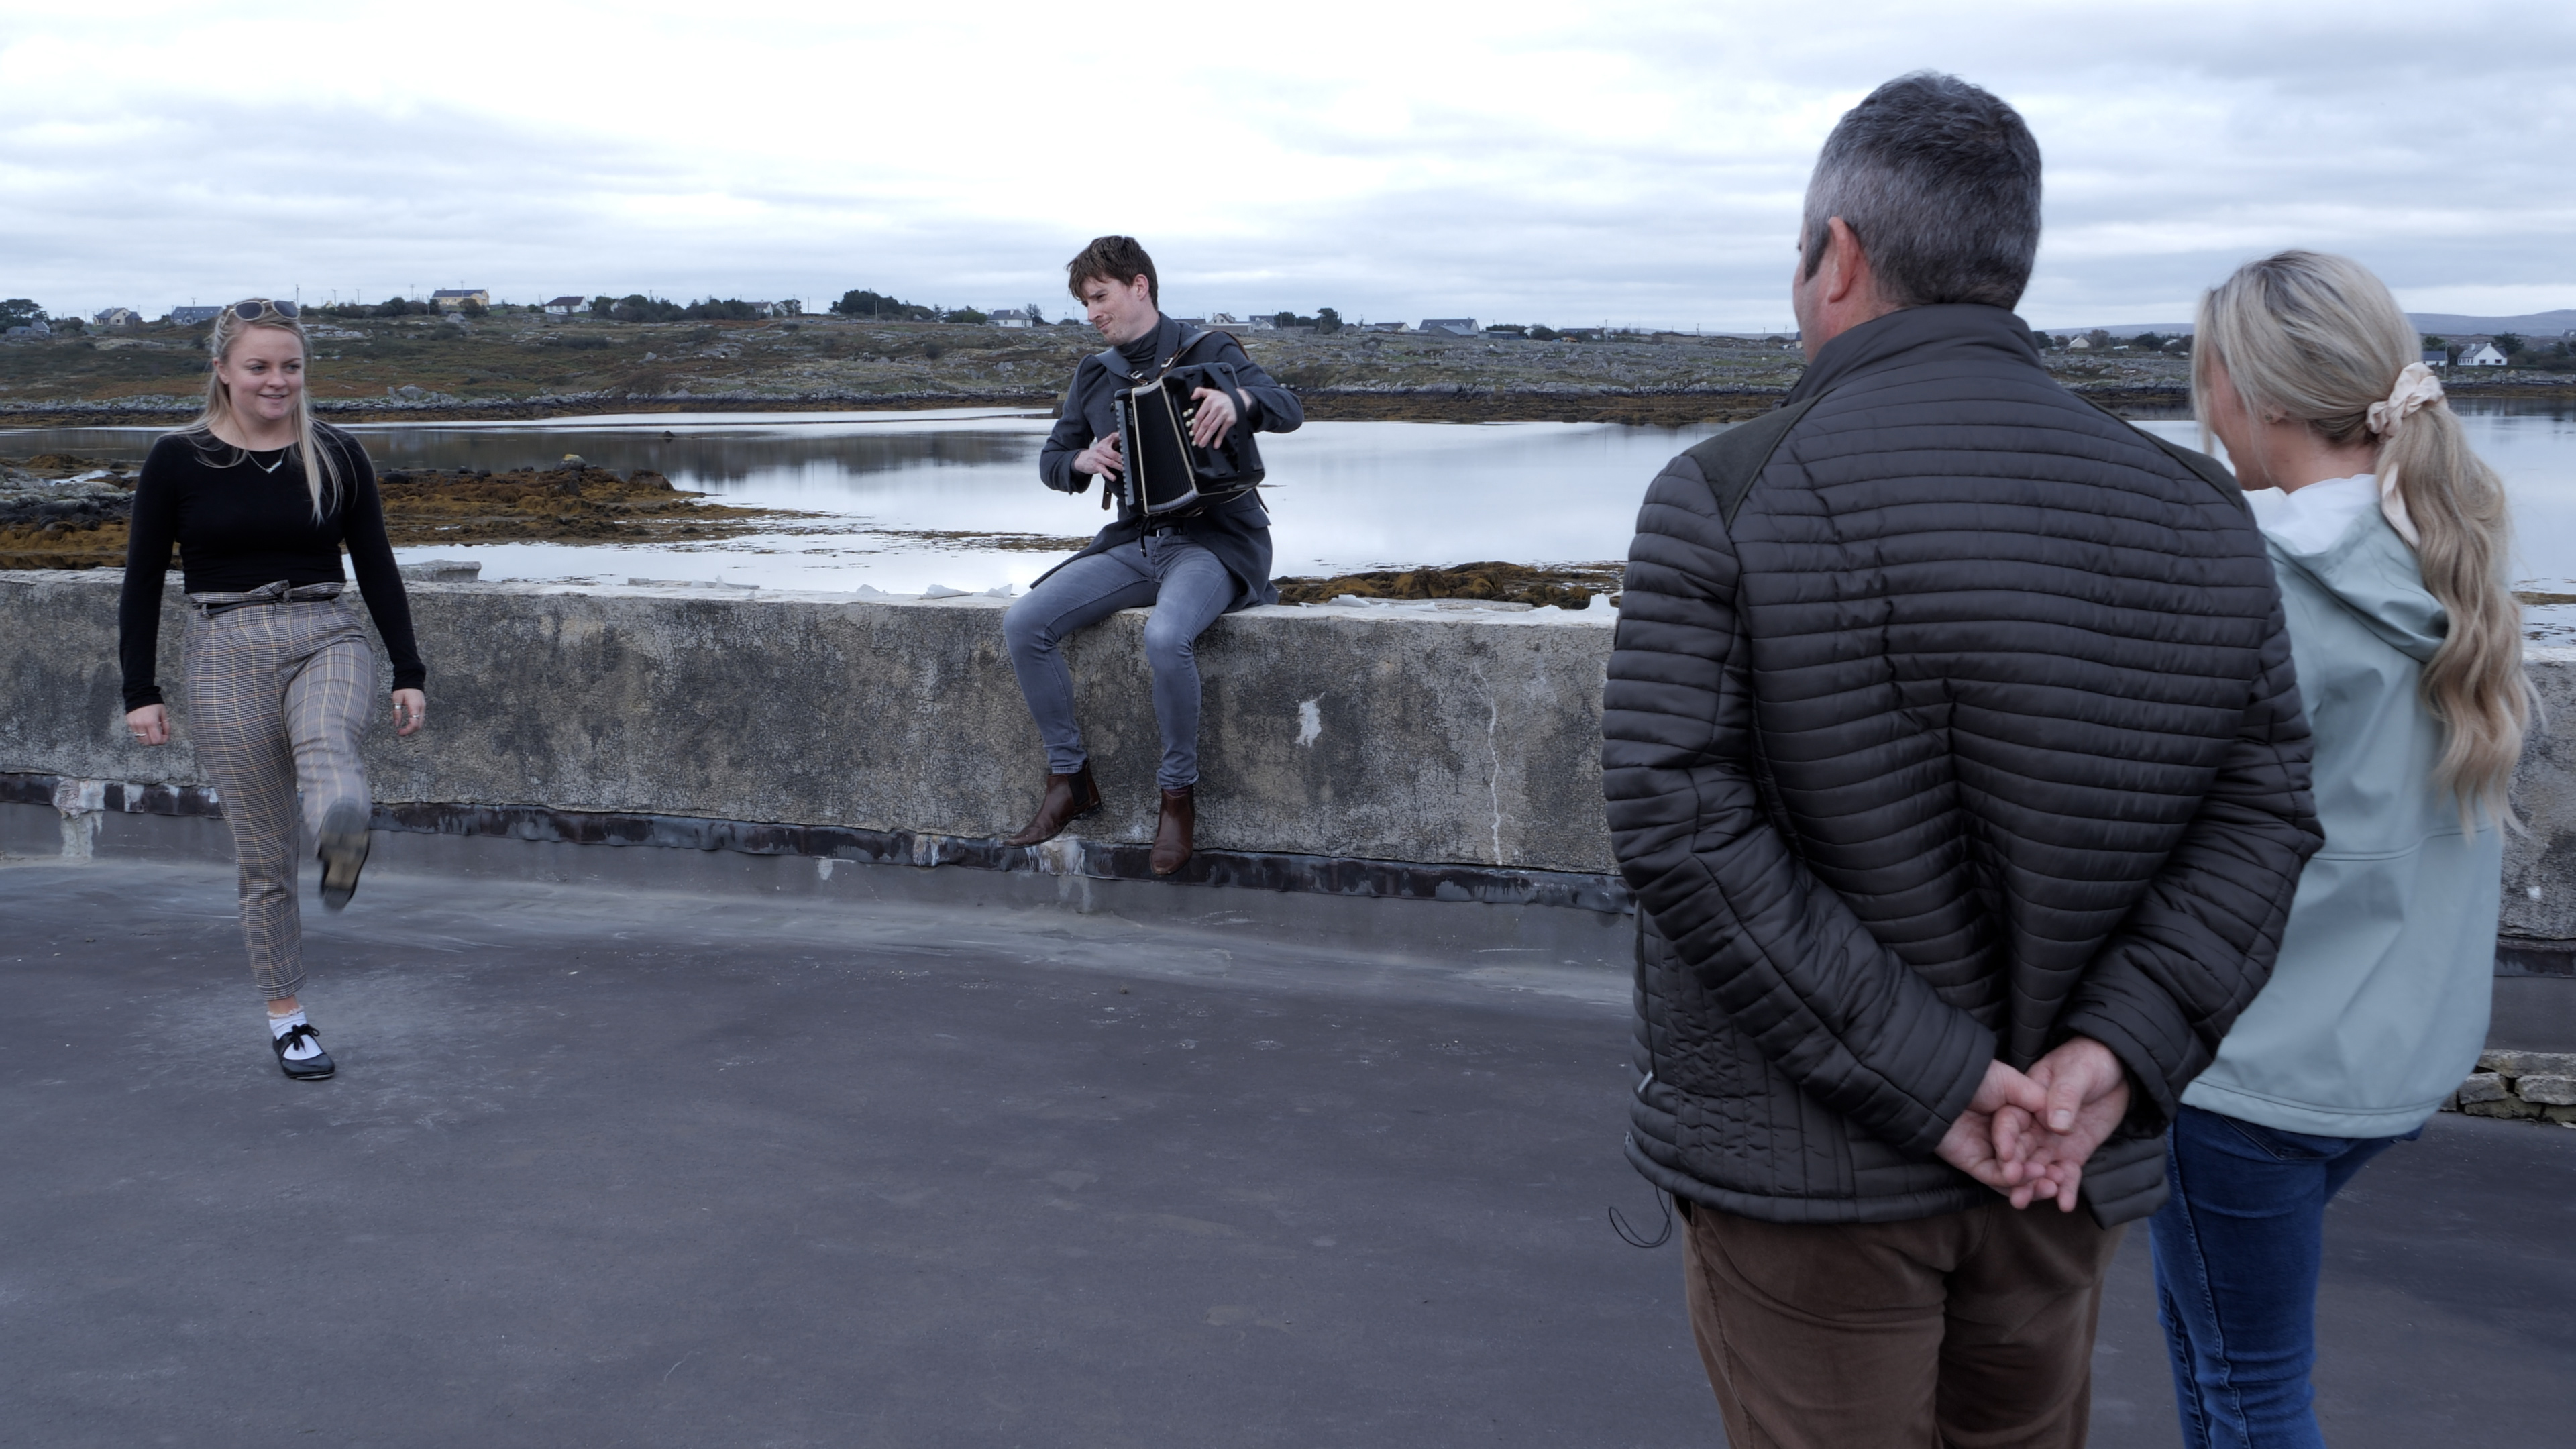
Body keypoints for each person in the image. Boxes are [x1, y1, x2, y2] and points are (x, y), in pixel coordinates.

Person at [1601, 73, 2324, 1448]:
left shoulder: (1726, 489)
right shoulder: (2194, 505)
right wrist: (2114, 1057)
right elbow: (2268, 814)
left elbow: (1675, 819)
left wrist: (1935, 1085)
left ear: (1842, 256)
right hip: (2060, 1164)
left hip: (1810, 1180)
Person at [2150, 251, 2526, 1449]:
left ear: (2250, 394)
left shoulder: (2252, 572)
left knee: (2249, 1390)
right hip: (2392, 1052)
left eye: (2202, 375)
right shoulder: (2451, 555)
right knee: (2219, 1371)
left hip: (2248, 1066)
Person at [119, 298, 427, 1081]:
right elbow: (144, 580)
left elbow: (378, 567)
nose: (277, 380)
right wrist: (140, 689)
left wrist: (408, 669)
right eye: (259, 366)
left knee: (326, 736)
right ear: (222, 370)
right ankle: (289, 1018)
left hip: (328, 631)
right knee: (262, 861)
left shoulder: (337, 453)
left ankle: (341, 833)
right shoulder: (176, 460)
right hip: (224, 646)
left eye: (290, 366)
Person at [1001, 236, 1302, 875]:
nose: (1091, 314)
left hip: (1215, 541)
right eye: (1085, 302)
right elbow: (1052, 461)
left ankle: (1177, 798)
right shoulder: (1094, 374)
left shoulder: (1210, 352)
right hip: (1140, 543)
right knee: (1025, 623)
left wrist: (1238, 401)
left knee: (1167, 638)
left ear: (1140, 286)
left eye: (1100, 297)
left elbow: (1288, 408)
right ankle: (1070, 781)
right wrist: (1082, 460)